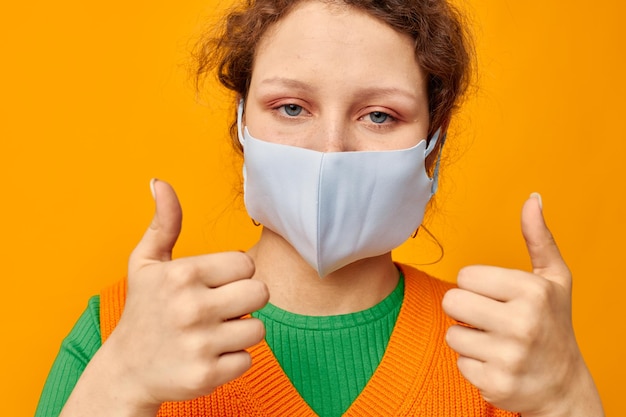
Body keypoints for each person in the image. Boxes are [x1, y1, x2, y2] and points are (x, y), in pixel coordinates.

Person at [36, 0, 605, 416]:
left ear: (434, 145)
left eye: (379, 115)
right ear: (240, 126)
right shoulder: (117, 330)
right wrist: (122, 382)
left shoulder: (505, 357)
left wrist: (568, 397)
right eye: (290, 108)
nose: (331, 149)